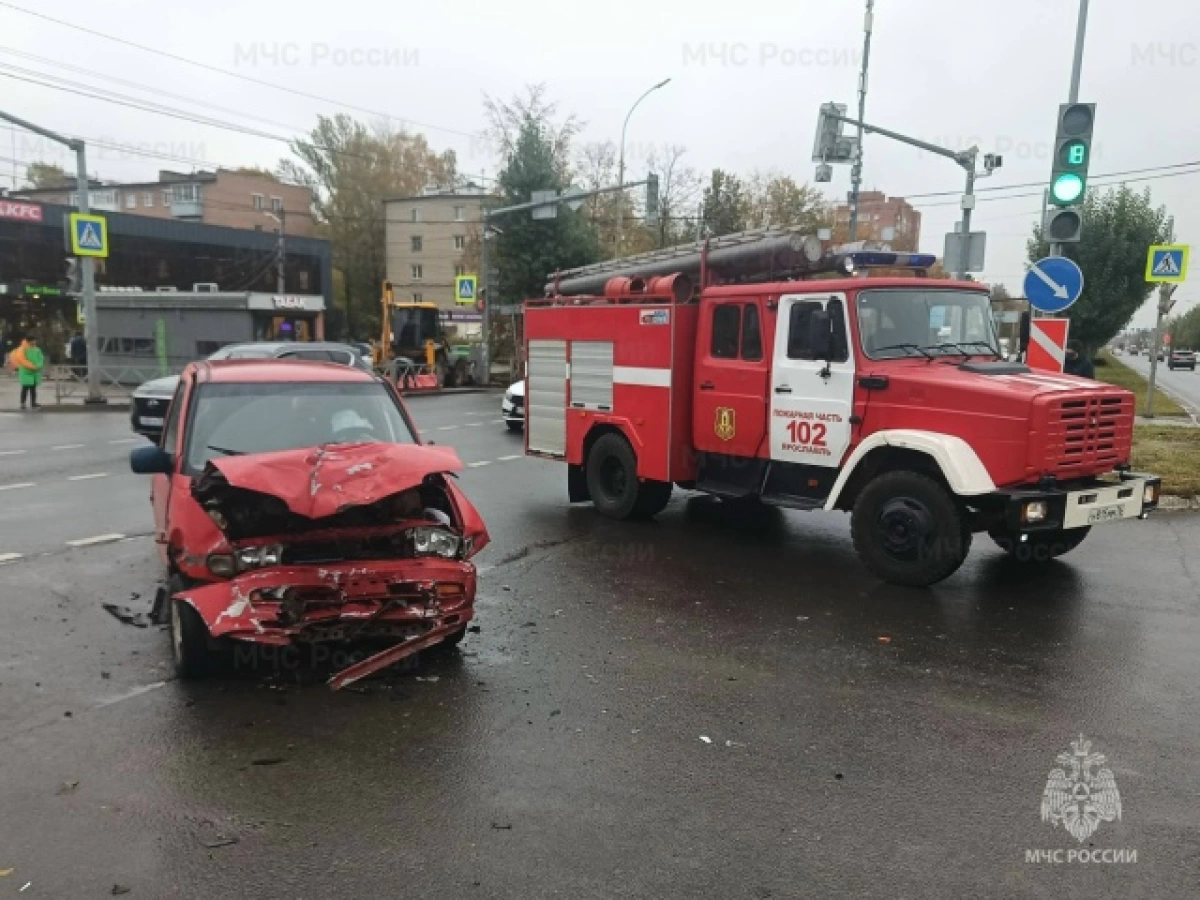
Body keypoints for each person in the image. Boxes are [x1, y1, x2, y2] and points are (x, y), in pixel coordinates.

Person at [11, 335, 44, 409]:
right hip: (26, 371)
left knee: (33, 389)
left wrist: (39, 366)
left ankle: (33, 402)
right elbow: (22, 359)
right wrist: (32, 366)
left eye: (35, 340)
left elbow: (41, 358)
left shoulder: (37, 349)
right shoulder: (22, 349)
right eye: (33, 340)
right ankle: (23, 403)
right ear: (29, 341)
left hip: (34, 371)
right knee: (25, 388)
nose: (35, 342)